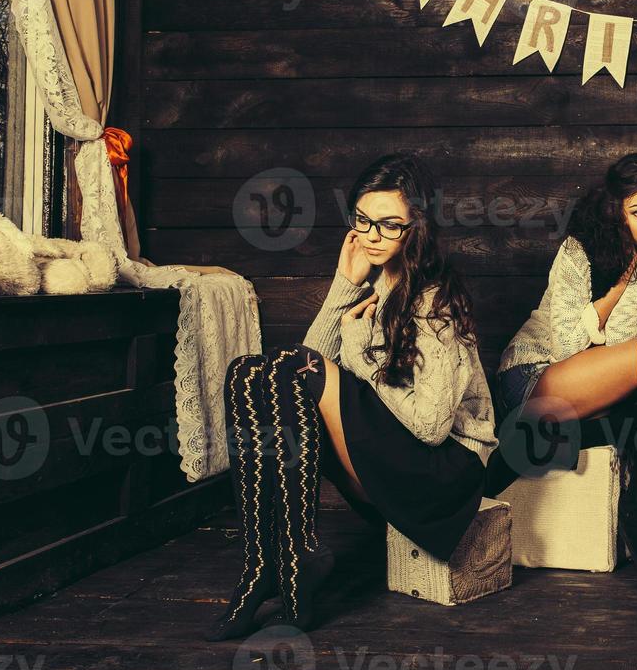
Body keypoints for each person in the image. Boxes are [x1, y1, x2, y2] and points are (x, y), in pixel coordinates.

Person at [206, 153, 496, 640]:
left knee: (292, 369)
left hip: (443, 479)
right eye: (362, 220)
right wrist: (345, 284)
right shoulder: (377, 285)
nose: (371, 235)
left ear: (417, 228)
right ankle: (265, 568)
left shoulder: (435, 300)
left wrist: (360, 362)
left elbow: (431, 426)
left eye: (388, 225)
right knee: (247, 373)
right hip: (393, 462)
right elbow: (298, 376)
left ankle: (292, 573)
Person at [488, 153, 637, 567]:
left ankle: (543, 439)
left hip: (586, 388)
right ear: (616, 212)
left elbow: (620, 348)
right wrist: (631, 279)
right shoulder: (579, 250)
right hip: (533, 376)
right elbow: (570, 347)